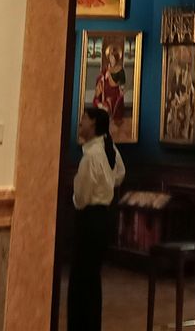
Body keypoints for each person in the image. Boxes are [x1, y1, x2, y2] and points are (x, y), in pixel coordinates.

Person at [68, 105, 125, 331]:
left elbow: (81, 197)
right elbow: (120, 174)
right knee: (92, 278)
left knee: (81, 279)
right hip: (103, 218)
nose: (80, 122)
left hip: (89, 220)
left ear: (92, 124)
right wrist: (107, 185)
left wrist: (76, 199)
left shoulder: (91, 157)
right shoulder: (107, 150)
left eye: (83, 118)